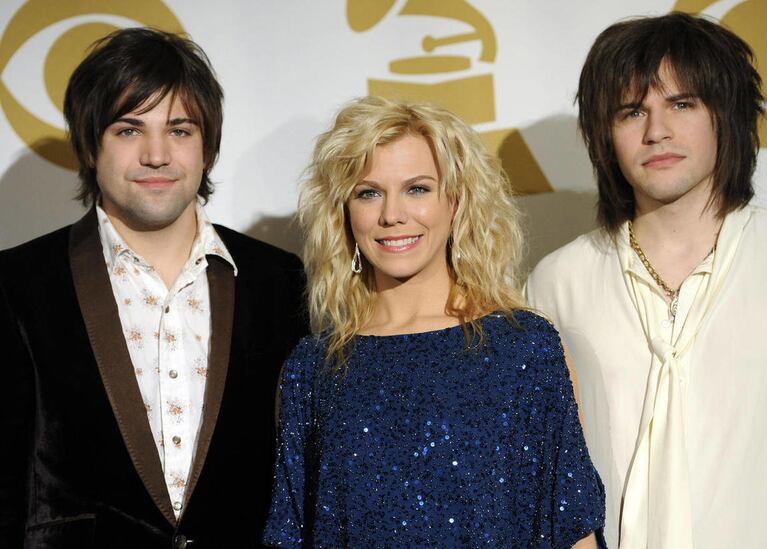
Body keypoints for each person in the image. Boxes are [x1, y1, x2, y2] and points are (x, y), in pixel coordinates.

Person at [0, 28, 307, 547]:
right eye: (128, 130)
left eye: (181, 130)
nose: (157, 154)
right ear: (90, 145)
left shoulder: (277, 280)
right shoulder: (17, 284)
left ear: (207, 147)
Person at [263, 96, 605, 548]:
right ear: (344, 213)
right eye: (369, 193)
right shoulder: (312, 370)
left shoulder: (522, 349)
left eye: (417, 189)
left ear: (456, 201)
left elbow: (572, 530)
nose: (392, 215)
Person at [527, 12, 767, 549]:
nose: (657, 132)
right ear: (604, 135)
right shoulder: (557, 283)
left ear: (726, 115)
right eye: (632, 112)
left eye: (682, 104)